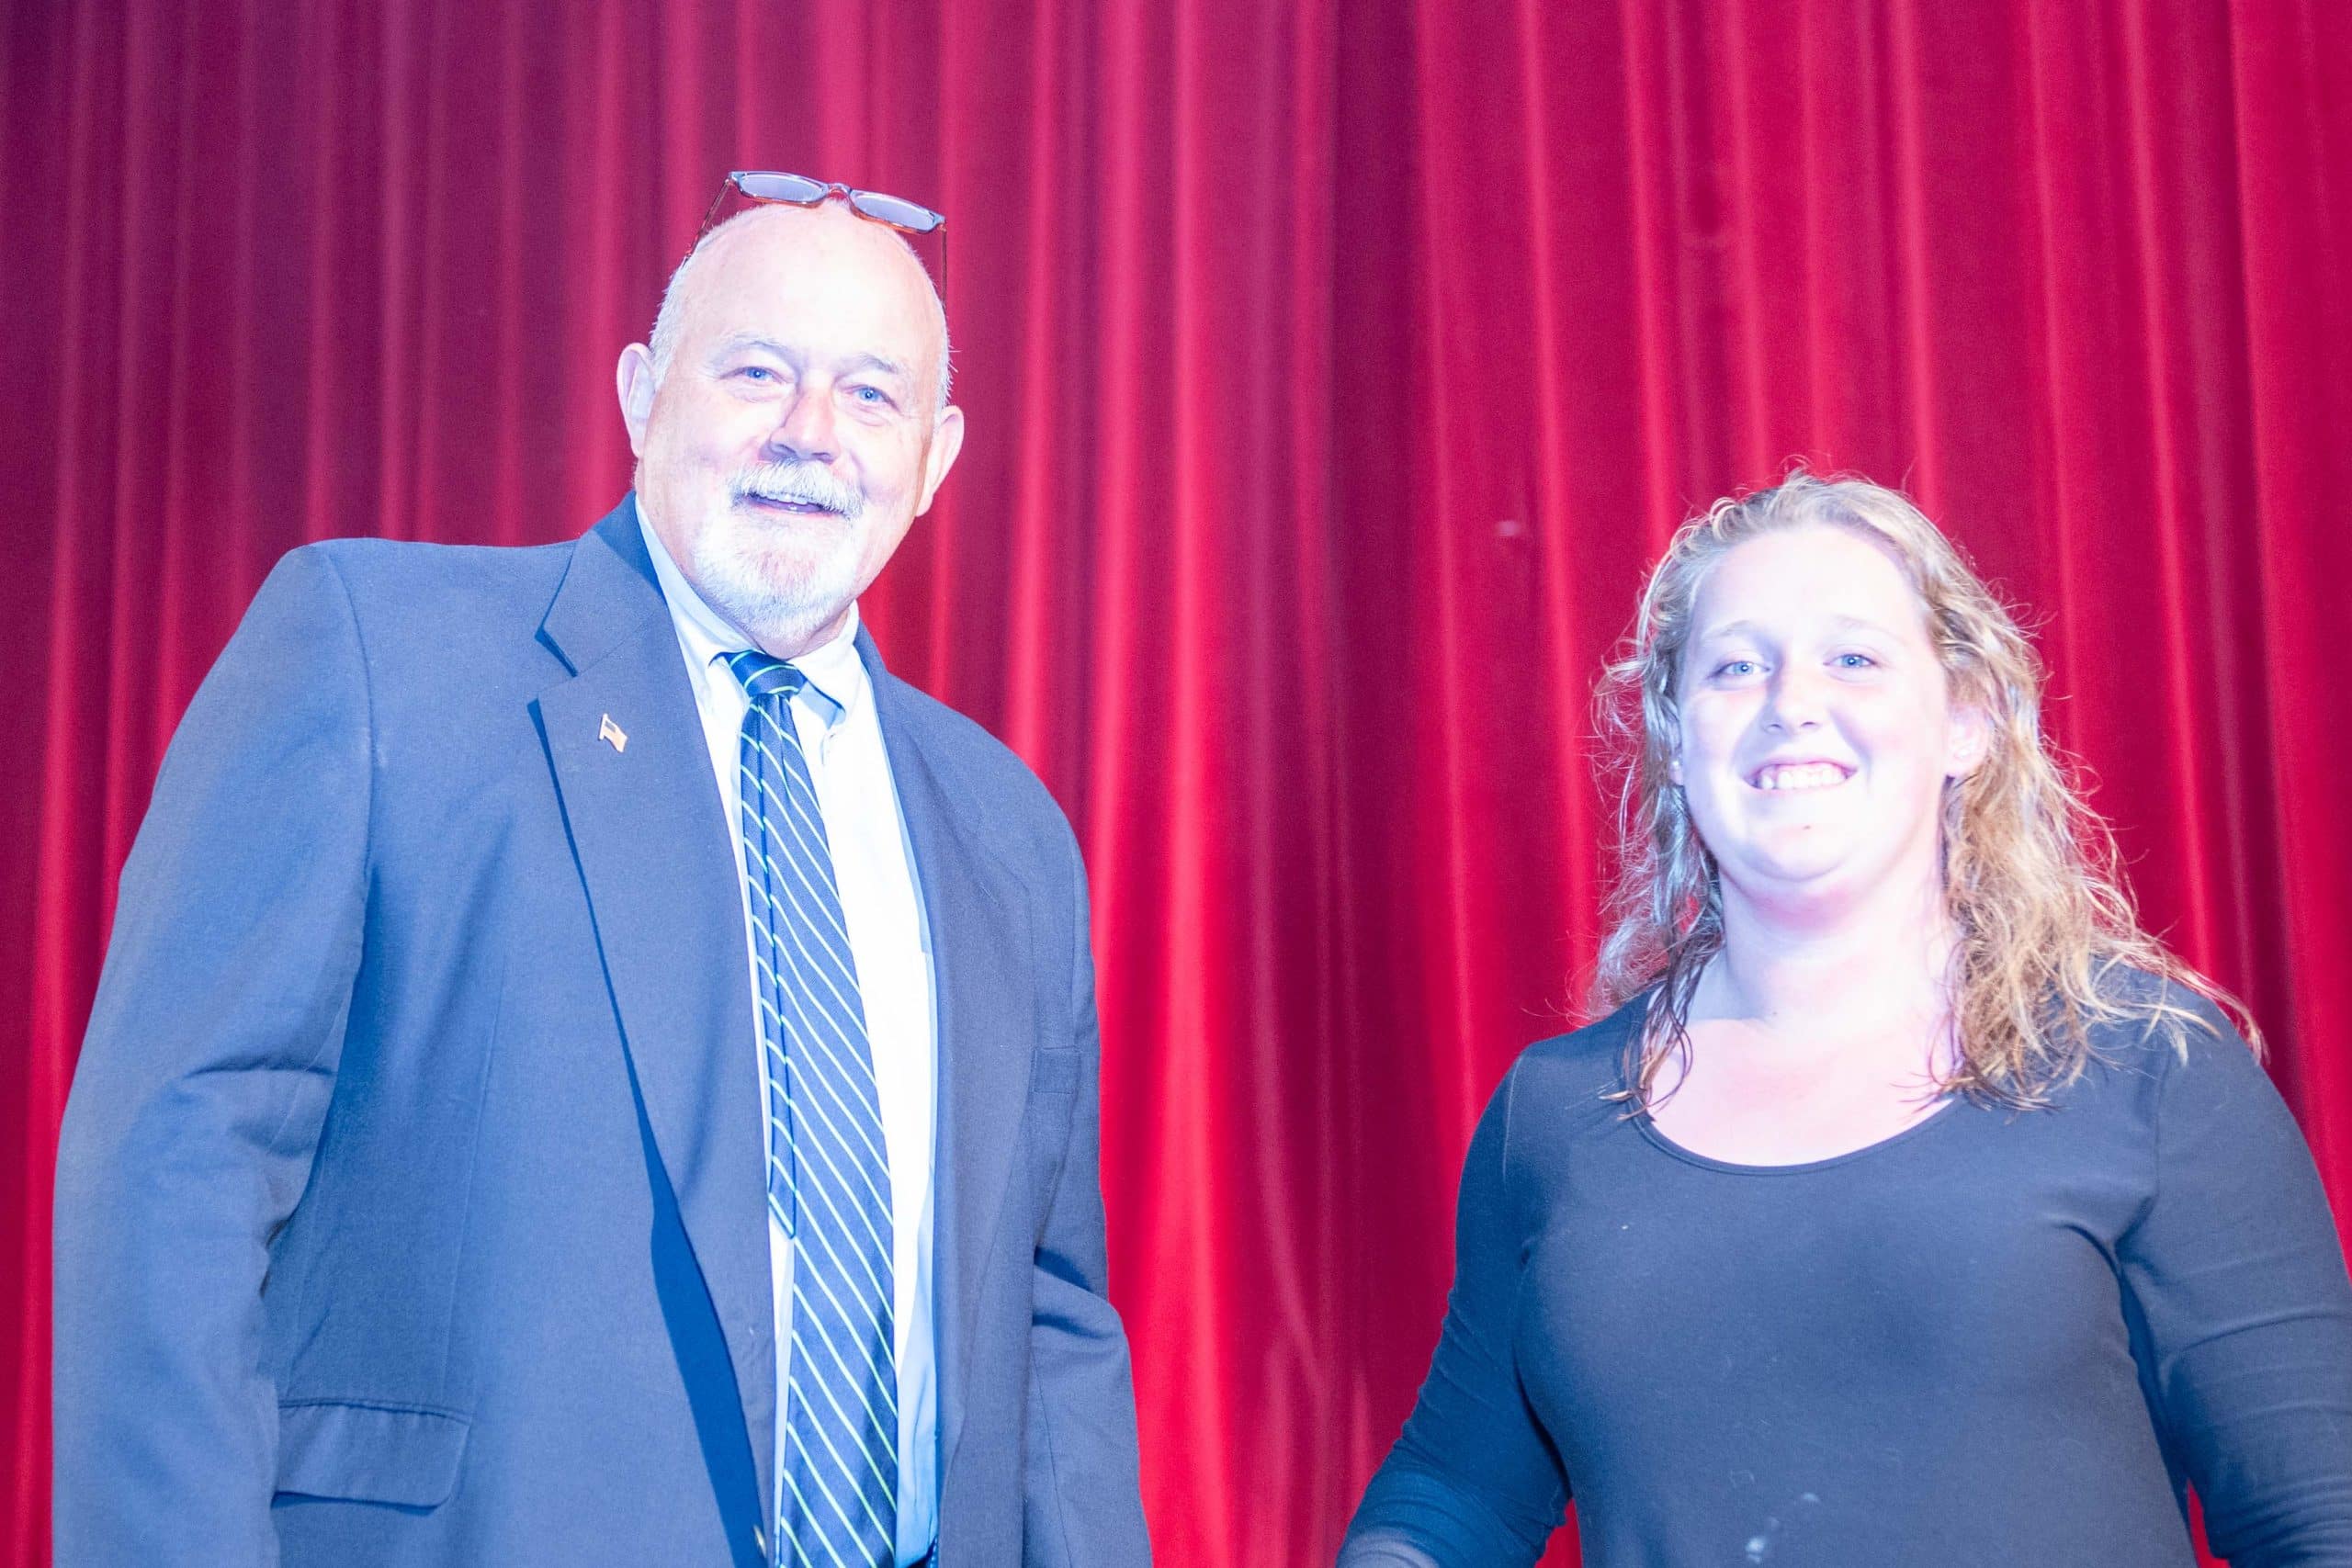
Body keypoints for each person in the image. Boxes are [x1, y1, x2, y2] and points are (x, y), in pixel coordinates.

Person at [53, 175, 1152, 1568]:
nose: (810, 432)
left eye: (871, 395)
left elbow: (1051, 1326)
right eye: (757, 371)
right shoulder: (377, 652)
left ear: (935, 459)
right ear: (642, 396)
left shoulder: (1011, 831)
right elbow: (175, 1171)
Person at [1340, 473, 2352, 1565]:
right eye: (1735, 667)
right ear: (1674, 738)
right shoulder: (1555, 1114)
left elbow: (2316, 1514)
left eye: (1853, 659)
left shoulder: (2143, 1065)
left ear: (1966, 720)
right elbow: (1454, 1497)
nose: (1791, 702)